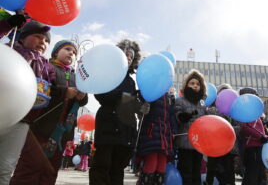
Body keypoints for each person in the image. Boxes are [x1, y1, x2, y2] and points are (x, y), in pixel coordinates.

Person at [10, 40, 88, 185]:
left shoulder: (76, 77)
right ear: (56, 52)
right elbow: (40, 89)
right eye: (67, 49)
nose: (71, 53)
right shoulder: (47, 67)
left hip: (62, 134)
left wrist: (82, 96)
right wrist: (64, 92)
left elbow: (82, 101)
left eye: (74, 52)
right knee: (30, 168)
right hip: (41, 128)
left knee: (50, 171)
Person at [0, 18, 55, 185]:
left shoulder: (47, 65)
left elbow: (54, 86)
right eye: (38, 36)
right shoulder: (10, 50)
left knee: (6, 165)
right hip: (2, 109)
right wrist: (9, 23)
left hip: (22, 120)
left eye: (46, 40)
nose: (42, 42)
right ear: (22, 37)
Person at [89, 39, 150, 185]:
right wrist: (126, 98)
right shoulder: (107, 74)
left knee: (118, 168)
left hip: (126, 130)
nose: (128, 58)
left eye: (131, 56)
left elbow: (132, 105)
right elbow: (101, 95)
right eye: (125, 54)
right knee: (101, 166)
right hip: (107, 126)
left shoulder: (131, 81)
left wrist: (141, 107)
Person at [136, 91, 177, 185]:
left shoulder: (168, 97)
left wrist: (174, 131)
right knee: (152, 161)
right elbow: (143, 96)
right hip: (151, 131)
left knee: (162, 164)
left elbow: (171, 116)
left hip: (165, 134)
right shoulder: (152, 90)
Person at [174, 69, 207, 185]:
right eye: (192, 83)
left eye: (198, 84)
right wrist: (183, 116)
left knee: (196, 173)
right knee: (186, 173)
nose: (195, 86)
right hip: (185, 143)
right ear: (186, 85)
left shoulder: (202, 104)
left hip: (198, 145)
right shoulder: (180, 101)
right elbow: (177, 116)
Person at [204, 83, 238, 185]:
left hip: (229, 148)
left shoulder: (235, 112)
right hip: (214, 147)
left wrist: (229, 129)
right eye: (221, 92)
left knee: (229, 175)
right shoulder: (211, 110)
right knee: (211, 172)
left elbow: (240, 127)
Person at [239, 87, 268, 185]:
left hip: (258, 146)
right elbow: (246, 127)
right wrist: (260, 137)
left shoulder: (255, 112)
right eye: (255, 95)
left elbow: (258, 129)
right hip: (252, 148)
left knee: (259, 175)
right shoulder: (247, 111)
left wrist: (266, 136)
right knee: (252, 175)